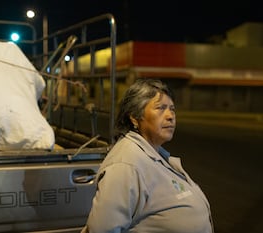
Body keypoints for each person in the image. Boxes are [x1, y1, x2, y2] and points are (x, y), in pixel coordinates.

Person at [81, 78, 213, 233]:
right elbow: (102, 229)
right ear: (135, 117)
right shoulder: (126, 164)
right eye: (160, 108)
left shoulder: (154, 154)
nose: (170, 115)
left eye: (172, 109)